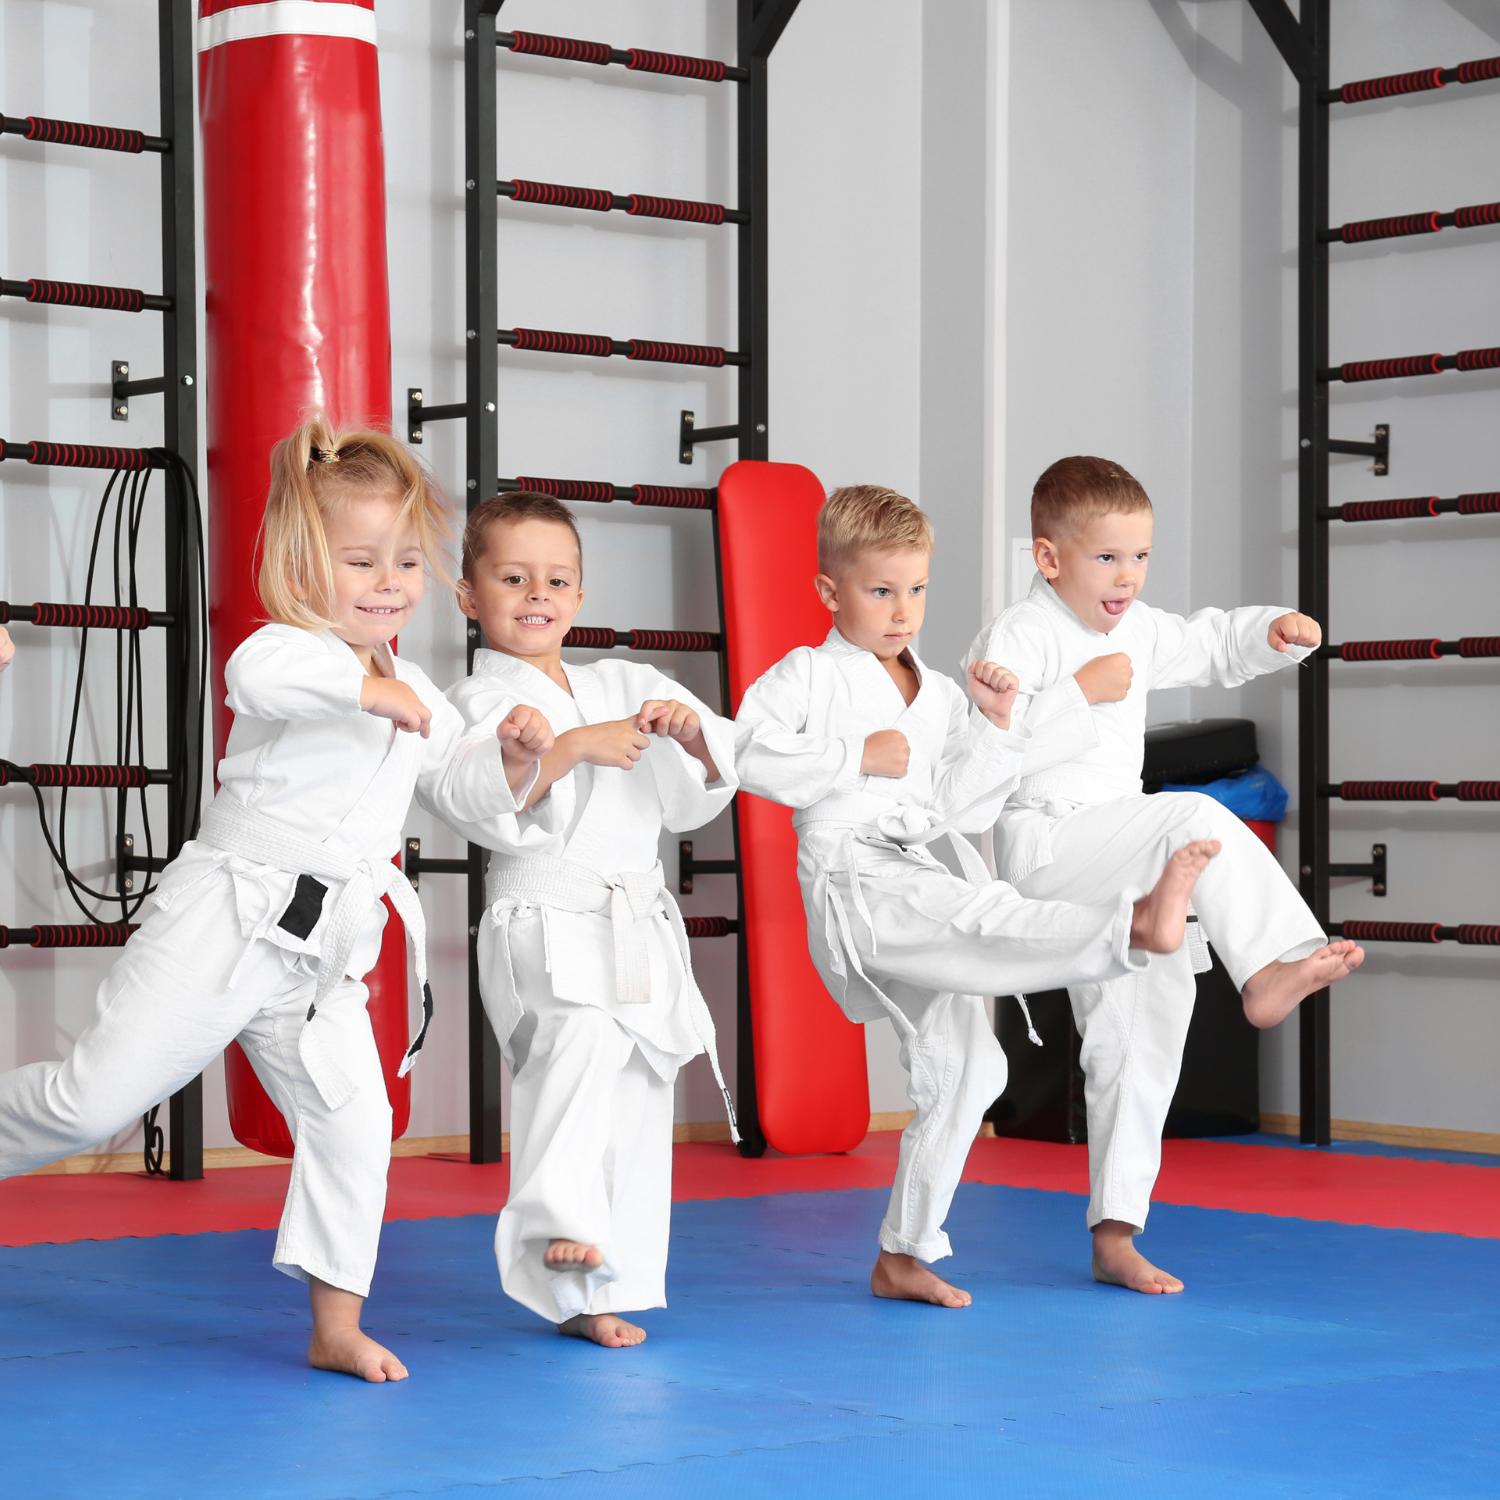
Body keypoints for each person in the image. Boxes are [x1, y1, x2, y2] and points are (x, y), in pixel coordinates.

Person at [0, 420, 551, 1381]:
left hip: (326, 949)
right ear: (303, 565)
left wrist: (508, 758)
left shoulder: (415, 683)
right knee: (91, 1103)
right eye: (361, 561)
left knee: (355, 1124)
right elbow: (256, 678)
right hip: (226, 920)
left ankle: (336, 1322)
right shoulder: (287, 651)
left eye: (406, 562)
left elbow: (460, 787)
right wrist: (364, 695)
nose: (389, 582)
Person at [733, 483, 1218, 1310]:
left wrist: (994, 725)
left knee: (970, 1068)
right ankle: (1131, 928)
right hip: (856, 880)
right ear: (829, 591)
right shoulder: (806, 675)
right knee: (982, 917)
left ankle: (902, 1254)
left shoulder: (939, 693)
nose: (902, 612)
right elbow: (744, 754)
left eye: (916, 590)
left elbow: (966, 807)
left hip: (918, 865)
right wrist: (854, 756)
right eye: (880, 591)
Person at [966, 454, 1364, 1295]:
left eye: (1141, 556)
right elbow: (983, 762)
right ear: (1049, 559)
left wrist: (1270, 632)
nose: (1128, 576)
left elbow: (1208, 641)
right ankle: (1270, 968)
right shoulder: (1018, 635)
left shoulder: (1138, 629)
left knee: (1142, 1030)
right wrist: (1078, 693)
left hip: (1123, 853)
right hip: (1048, 846)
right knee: (1194, 816)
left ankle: (1116, 1234)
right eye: (1108, 557)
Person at [441, 491, 738, 1349]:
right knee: (575, 1041)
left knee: (639, 1086)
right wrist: (565, 748)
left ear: (580, 593)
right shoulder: (475, 701)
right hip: (541, 913)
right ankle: (556, 1222)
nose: (538, 593)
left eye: (557, 578)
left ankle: (600, 1289)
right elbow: (480, 804)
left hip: (632, 919)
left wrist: (689, 734)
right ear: (468, 595)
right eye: (513, 578)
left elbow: (693, 794)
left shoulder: (630, 683)